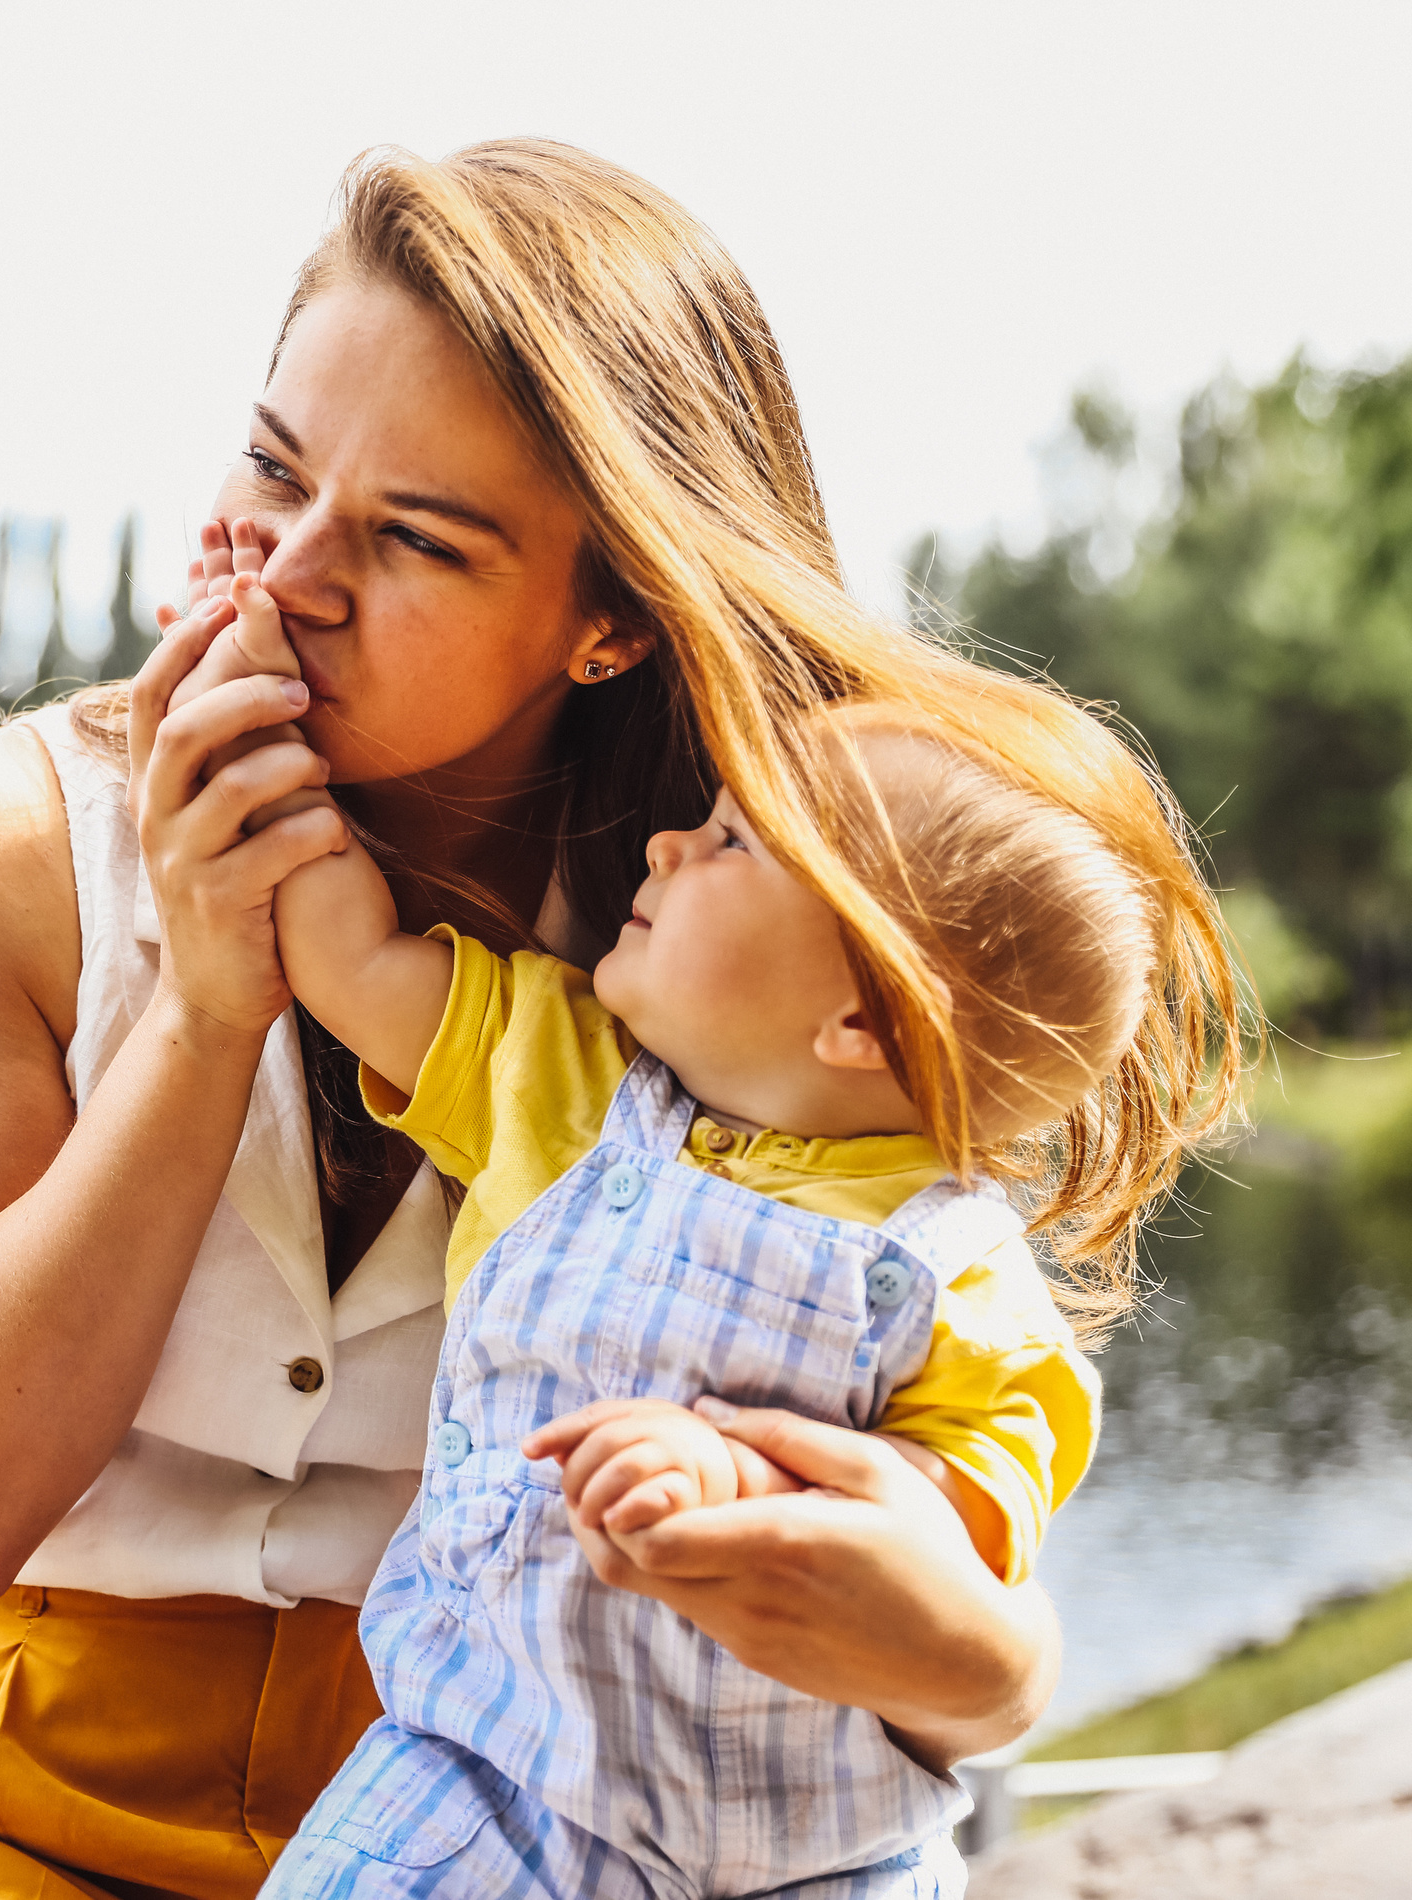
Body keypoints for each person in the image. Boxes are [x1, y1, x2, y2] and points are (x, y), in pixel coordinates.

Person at [0, 139, 1077, 1898]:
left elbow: (951, 1511)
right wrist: (203, 1005)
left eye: (412, 540)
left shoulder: (729, 928)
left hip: (542, 1795)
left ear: (608, 620)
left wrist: (980, 1655)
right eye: (274, 472)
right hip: (0, 1780)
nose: (296, 574)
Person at [170, 579, 1241, 1892]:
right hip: (493, 1787)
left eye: (734, 841)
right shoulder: (566, 1086)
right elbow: (351, 958)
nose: (669, 845)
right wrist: (251, 700)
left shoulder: (963, 1284)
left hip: (818, 1852)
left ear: (866, 1019)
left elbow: (943, 1565)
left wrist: (739, 1488)